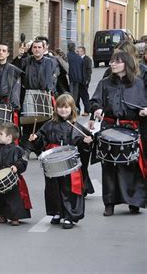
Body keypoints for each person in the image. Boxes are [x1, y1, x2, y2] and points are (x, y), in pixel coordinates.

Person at [89, 51, 147, 216]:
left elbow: (144, 104)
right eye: (112, 61)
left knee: (132, 166)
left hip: (131, 129)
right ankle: (110, 203)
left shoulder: (138, 84)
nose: (112, 64)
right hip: (109, 128)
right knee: (109, 167)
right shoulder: (105, 83)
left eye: (117, 61)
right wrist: (97, 108)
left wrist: (144, 111)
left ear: (126, 64)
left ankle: (134, 202)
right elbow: (94, 101)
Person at [29, 94, 93, 229]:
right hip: (53, 162)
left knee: (68, 188)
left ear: (72, 109)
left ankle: (69, 216)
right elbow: (42, 141)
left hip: (69, 163)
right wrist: (35, 139)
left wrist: (86, 142)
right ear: (55, 108)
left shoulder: (75, 126)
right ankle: (57, 212)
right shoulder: (49, 125)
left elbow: (82, 143)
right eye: (60, 107)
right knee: (53, 188)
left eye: (66, 107)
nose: (63, 110)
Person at [0, 123, 31, 226]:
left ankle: (15, 217)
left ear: (9, 137)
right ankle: (2, 215)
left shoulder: (18, 149)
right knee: (0, 199)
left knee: (14, 199)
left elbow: (23, 160)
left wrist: (16, 166)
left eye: (1, 134)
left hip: (13, 179)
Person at [19, 40, 58, 155]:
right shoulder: (26, 61)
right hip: (29, 94)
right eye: (34, 47)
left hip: (43, 95)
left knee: (43, 123)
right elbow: (17, 68)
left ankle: (40, 148)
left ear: (44, 49)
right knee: (28, 123)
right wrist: (22, 54)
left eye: (39, 47)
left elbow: (54, 77)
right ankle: (26, 148)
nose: (37, 49)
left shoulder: (51, 62)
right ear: (32, 49)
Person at [67, 42, 84, 110]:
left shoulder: (67, 56)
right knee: (75, 93)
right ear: (74, 48)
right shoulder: (78, 57)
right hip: (78, 77)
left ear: (68, 48)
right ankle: (74, 105)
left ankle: (70, 106)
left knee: (70, 92)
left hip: (70, 76)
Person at [76, 46, 92, 116]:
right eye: (77, 51)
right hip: (78, 80)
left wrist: (87, 80)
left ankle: (87, 111)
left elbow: (89, 70)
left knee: (84, 96)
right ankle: (77, 110)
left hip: (84, 81)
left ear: (83, 52)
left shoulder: (87, 59)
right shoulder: (77, 59)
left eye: (79, 51)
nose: (77, 52)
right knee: (77, 96)